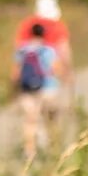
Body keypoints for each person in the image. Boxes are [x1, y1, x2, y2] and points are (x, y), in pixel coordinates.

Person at [13, 21, 64, 160]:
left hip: (27, 89)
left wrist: (15, 90)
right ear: (44, 34)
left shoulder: (22, 50)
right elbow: (56, 69)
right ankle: (51, 148)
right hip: (48, 88)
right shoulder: (49, 50)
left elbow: (16, 73)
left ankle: (30, 151)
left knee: (30, 121)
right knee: (50, 119)